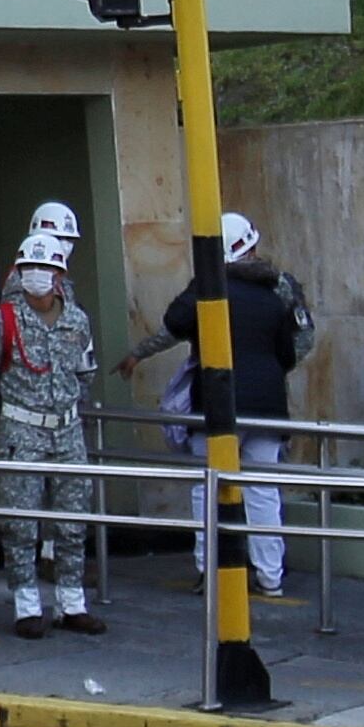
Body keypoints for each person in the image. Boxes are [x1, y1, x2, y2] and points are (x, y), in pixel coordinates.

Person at [120, 209, 308, 595]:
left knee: (206, 490)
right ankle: (270, 577)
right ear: (249, 246)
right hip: (269, 406)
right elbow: (289, 351)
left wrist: (139, 352)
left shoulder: (208, 289)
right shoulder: (278, 290)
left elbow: (174, 320)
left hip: (220, 406)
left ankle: (211, 573)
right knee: (263, 492)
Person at [0, 230, 105, 638]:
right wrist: (8, 418)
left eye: (47, 267)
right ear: (19, 272)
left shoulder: (76, 319)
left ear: (60, 274)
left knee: (72, 520)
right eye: (30, 267)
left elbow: (85, 373)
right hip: (23, 431)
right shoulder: (0, 320)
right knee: (21, 524)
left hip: (68, 432)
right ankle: (27, 606)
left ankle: (72, 603)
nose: (38, 275)